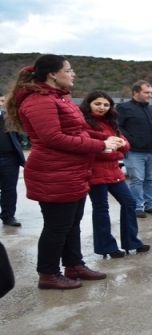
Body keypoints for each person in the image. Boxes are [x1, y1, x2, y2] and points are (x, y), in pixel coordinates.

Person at [4, 54, 123, 289]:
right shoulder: (39, 100)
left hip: (72, 171)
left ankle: (74, 265)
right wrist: (101, 145)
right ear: (52, 74)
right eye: (68, 70)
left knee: (72, 223)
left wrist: (105, 137)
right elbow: (53, 138)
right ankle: (48, 274)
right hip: (53, 173)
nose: (73, 74)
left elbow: (78, 130)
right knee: (57, 227)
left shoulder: (60, 98)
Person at [79, 91, 151, 258]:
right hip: (94, 171)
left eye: (106, 105)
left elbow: (125, 144)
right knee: (101, 209)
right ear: (89, 104)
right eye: (98, 104)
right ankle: (107, 248)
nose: (102, 107)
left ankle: (132, 242)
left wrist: (119, 143)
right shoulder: (82, 122)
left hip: (113, 170)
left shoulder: (111, 122)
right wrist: (109, 142)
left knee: (129, 203)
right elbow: (89, 144)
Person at [117, 80, 152, 218]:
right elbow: (118, 127)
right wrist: (131, 141)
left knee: (150, 180)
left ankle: (150, 205)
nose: (150, 95)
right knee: (137, 180)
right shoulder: (123, 108)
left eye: (151, 92)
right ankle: (137, 207)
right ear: (135, 92)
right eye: (146, 92)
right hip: (134, 152)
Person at [0, 94, 25, 227]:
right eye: (1, 101)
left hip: (10, 158)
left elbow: (18, 136)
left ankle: (8, 216)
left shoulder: (9, 117)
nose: (3, 103)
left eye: (4, 101)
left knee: (9, 189)